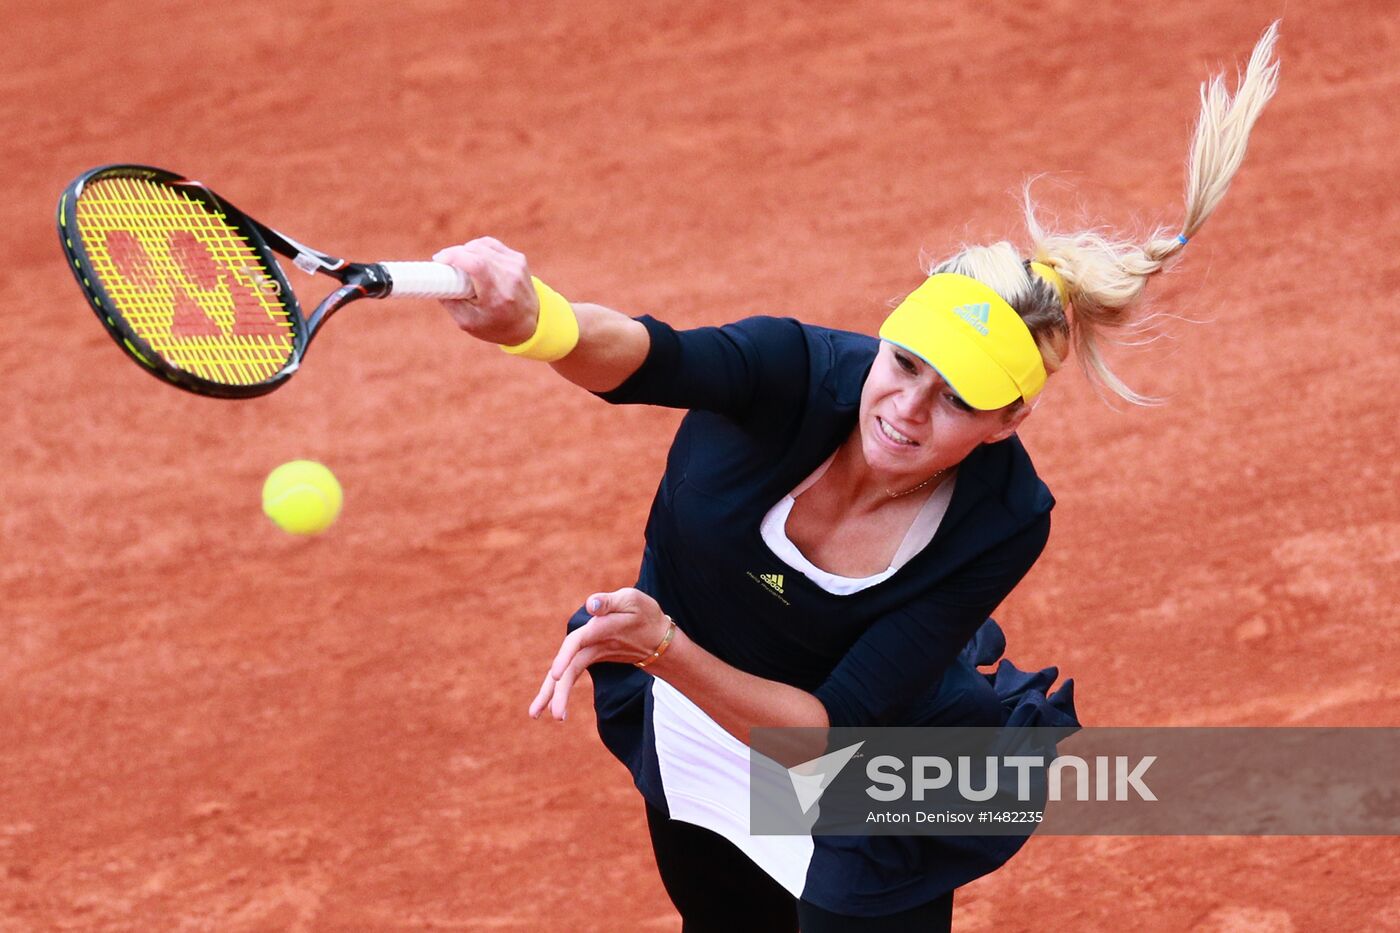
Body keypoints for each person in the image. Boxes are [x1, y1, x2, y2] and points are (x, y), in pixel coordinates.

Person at [432, 23, 1279, 931]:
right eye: (906, 362)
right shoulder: (787, 369)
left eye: (957, 399)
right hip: (697, 725)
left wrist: (664, 649)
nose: (908, 409)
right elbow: (646, 357)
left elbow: (822, 738)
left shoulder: (1006, 519)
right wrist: (533, 322)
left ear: (1009, 422)